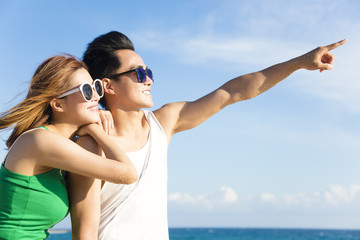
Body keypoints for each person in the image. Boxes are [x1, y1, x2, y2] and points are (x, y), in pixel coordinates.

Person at [69, 31, 347, 239]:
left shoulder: (165, 122)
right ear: (109, 86)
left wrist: (298, 63)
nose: (149, 79)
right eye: (139, 74)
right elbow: (85, 231)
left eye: (149, 71)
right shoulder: (91, 144)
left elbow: (232, 92)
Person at [0, 54, 138, 239]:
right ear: (58, 104)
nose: (96, 96)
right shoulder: (41, 141)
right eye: (86, 91)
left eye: (96, 87)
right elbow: (128, 174)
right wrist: (95, 131)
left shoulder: (57, 145)